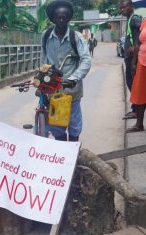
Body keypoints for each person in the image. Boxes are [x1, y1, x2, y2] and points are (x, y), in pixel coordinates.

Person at [41, 0, 91, 142]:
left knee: (74, 125)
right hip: (52, 89)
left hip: (71, 91)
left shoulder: (77, 37)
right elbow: (43, 60)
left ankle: (74, 153)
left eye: (64, 16)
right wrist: (41, 82)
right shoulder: (46, 36)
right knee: (56, 127)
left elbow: (86, 60)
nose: (61, 19)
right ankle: (62, 157)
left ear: (69, 18)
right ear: (53, 18)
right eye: (58, 17)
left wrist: (74, 78)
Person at [120, 0, 142, 120]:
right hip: (129, 59)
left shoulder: (135, 19)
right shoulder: (129, 19)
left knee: (134, 85)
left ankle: (137, 110)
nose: (121, 10)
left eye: (124, 8)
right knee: (131, 84)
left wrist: (134, 60)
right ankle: (135, 109)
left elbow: (142, 33)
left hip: (134, 59)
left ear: (131, 7)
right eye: (121, 8)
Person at [126, 18, 146, 133]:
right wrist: (134, 62)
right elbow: (138, 43)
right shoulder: (144, 22)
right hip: (142, 62)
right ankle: (139, 124)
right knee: (139, 94)